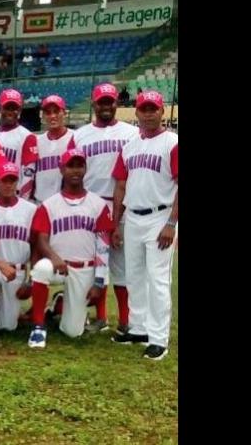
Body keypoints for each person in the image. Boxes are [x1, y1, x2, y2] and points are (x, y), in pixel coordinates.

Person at [111, 90, 178, 361]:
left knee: (158, 279)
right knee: (134, 276)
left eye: (154, 108)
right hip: (133, 218)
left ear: (162, 111)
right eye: (144, 109)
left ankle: (159, 338)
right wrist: (116, 223)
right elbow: (120, 185)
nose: (149, 113)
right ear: (136, 112)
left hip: (160, 217)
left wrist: (172, 223)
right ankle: (138, 328)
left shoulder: (172, 142)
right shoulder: (129, 146)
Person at [26, 149, 114, 349]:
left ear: (85, 168)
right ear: (61, 169)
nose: (75, 170)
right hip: (58, 266)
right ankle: (38, 326)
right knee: (41, 268)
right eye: (70, 166)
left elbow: (103, 247)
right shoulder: (49, 205)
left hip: (84, 268)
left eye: (79, 166)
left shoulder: (98, 205)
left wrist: (99, 283)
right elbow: (41, 239)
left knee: (72, 332)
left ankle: (59, 303)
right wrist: (54, 258)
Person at [73, 83, 139, 334]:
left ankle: (125, 320)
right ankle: (100, 317)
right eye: (101, 101)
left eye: (110, 101)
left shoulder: (130, 133)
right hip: (91, 203)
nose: (106, 106)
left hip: (121, 203)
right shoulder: (80, 135)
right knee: (93, 262)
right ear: (94, 104)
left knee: (121, 265)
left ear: (117, 103)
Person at [0, 163, 37, 338]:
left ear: (17, 182)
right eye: (4, 180)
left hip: (17, 270)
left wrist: (30, 279)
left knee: (8, 327)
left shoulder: (31, 209)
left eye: (12, 180)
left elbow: (35, 245)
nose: (8, 184)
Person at [0, 89, 38, 199]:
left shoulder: (27, 136)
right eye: (7, 107)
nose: (10, 111)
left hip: (15, 194)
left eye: (14, 108)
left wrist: (22, 201)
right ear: (0, 109)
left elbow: (29, 174)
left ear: (20, 110)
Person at [30, 95, 75, 202]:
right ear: (43, 116)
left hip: (65, 202)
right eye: (48, 113)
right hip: (40, 202)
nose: (52, 116)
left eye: (56, 111)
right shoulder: (36, 141)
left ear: (64, 113)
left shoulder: (75, 138)